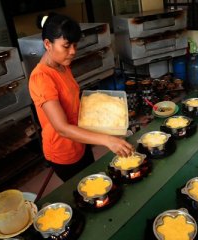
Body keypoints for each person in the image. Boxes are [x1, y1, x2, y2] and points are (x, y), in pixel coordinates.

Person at [29, 13, 133, 181]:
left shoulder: (62, 66)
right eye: (66, 46)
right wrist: (107, 140)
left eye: (75, 45)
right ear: (48, 44)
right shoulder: (41, 78)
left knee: (95, 178)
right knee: (85, 191)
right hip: (64, 151)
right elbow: (62, 128)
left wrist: (109, 122)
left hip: (80, 142)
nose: (72, 52)